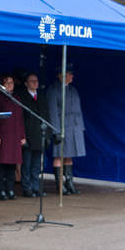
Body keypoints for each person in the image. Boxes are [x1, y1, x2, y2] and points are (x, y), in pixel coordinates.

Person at [47, 63, 86, 195]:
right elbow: (52, 111)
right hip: (62, 127)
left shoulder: (72, 90)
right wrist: (55, 130)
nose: (72, 76)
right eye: (70, 74)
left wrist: (80, 127)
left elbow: (78, 110)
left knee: (69, 156)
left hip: (74, 128)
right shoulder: (54, 90)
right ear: (62, 75)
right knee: (59, 155)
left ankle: (69, 183)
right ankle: (60, 185)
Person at [0, 75, 26, 201]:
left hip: (15, 136)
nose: (10, 85)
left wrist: (22, 136)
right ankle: (1, 191)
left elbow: (20, 119)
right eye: (7, 82)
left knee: (12, 166)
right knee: (2, 166)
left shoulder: (16, 98)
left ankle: (10, 190)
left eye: (11, 82)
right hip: (4, 136)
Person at [17, 73, 48, 197]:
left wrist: (47, 136)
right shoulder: (22, 98)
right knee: (27, 164)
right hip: (28, 136)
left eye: (36, 81)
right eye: (32, 81)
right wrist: (22, 136)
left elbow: (46, 116)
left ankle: (36, 187)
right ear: (26, 83)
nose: (35, 83)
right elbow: (20, 120)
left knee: (36, 165)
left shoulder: (41, 97)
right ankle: (27, 188)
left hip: (40, 136)